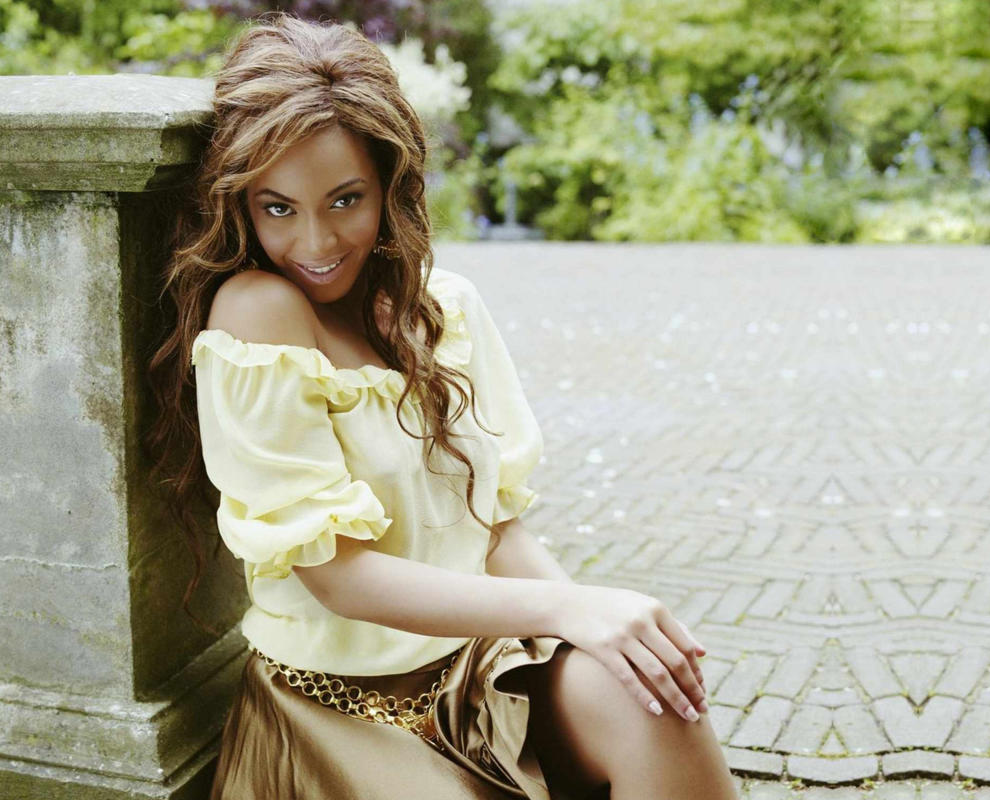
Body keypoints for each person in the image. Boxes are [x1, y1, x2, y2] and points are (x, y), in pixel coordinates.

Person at [143, 11, 738, 800]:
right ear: (241, 204)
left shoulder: (445, 310)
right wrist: (568, 607)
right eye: (277, 207)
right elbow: (338, 577)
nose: (315, 243)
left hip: (474, 668)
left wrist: (591, 625)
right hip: (334, 709)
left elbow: (493, 526)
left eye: (345, 200)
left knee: (656, 702)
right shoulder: (259, 313)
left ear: (392, 183)